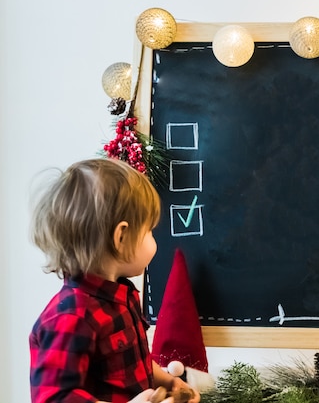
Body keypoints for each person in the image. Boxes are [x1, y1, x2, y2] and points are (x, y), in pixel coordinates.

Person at [29, 158, 201, 403]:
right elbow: (54, 398)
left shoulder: (121, 296)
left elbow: (133, 363)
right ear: (121, 237)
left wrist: (169, 381)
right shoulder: (71, 317)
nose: (154, 240)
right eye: (149, 230)